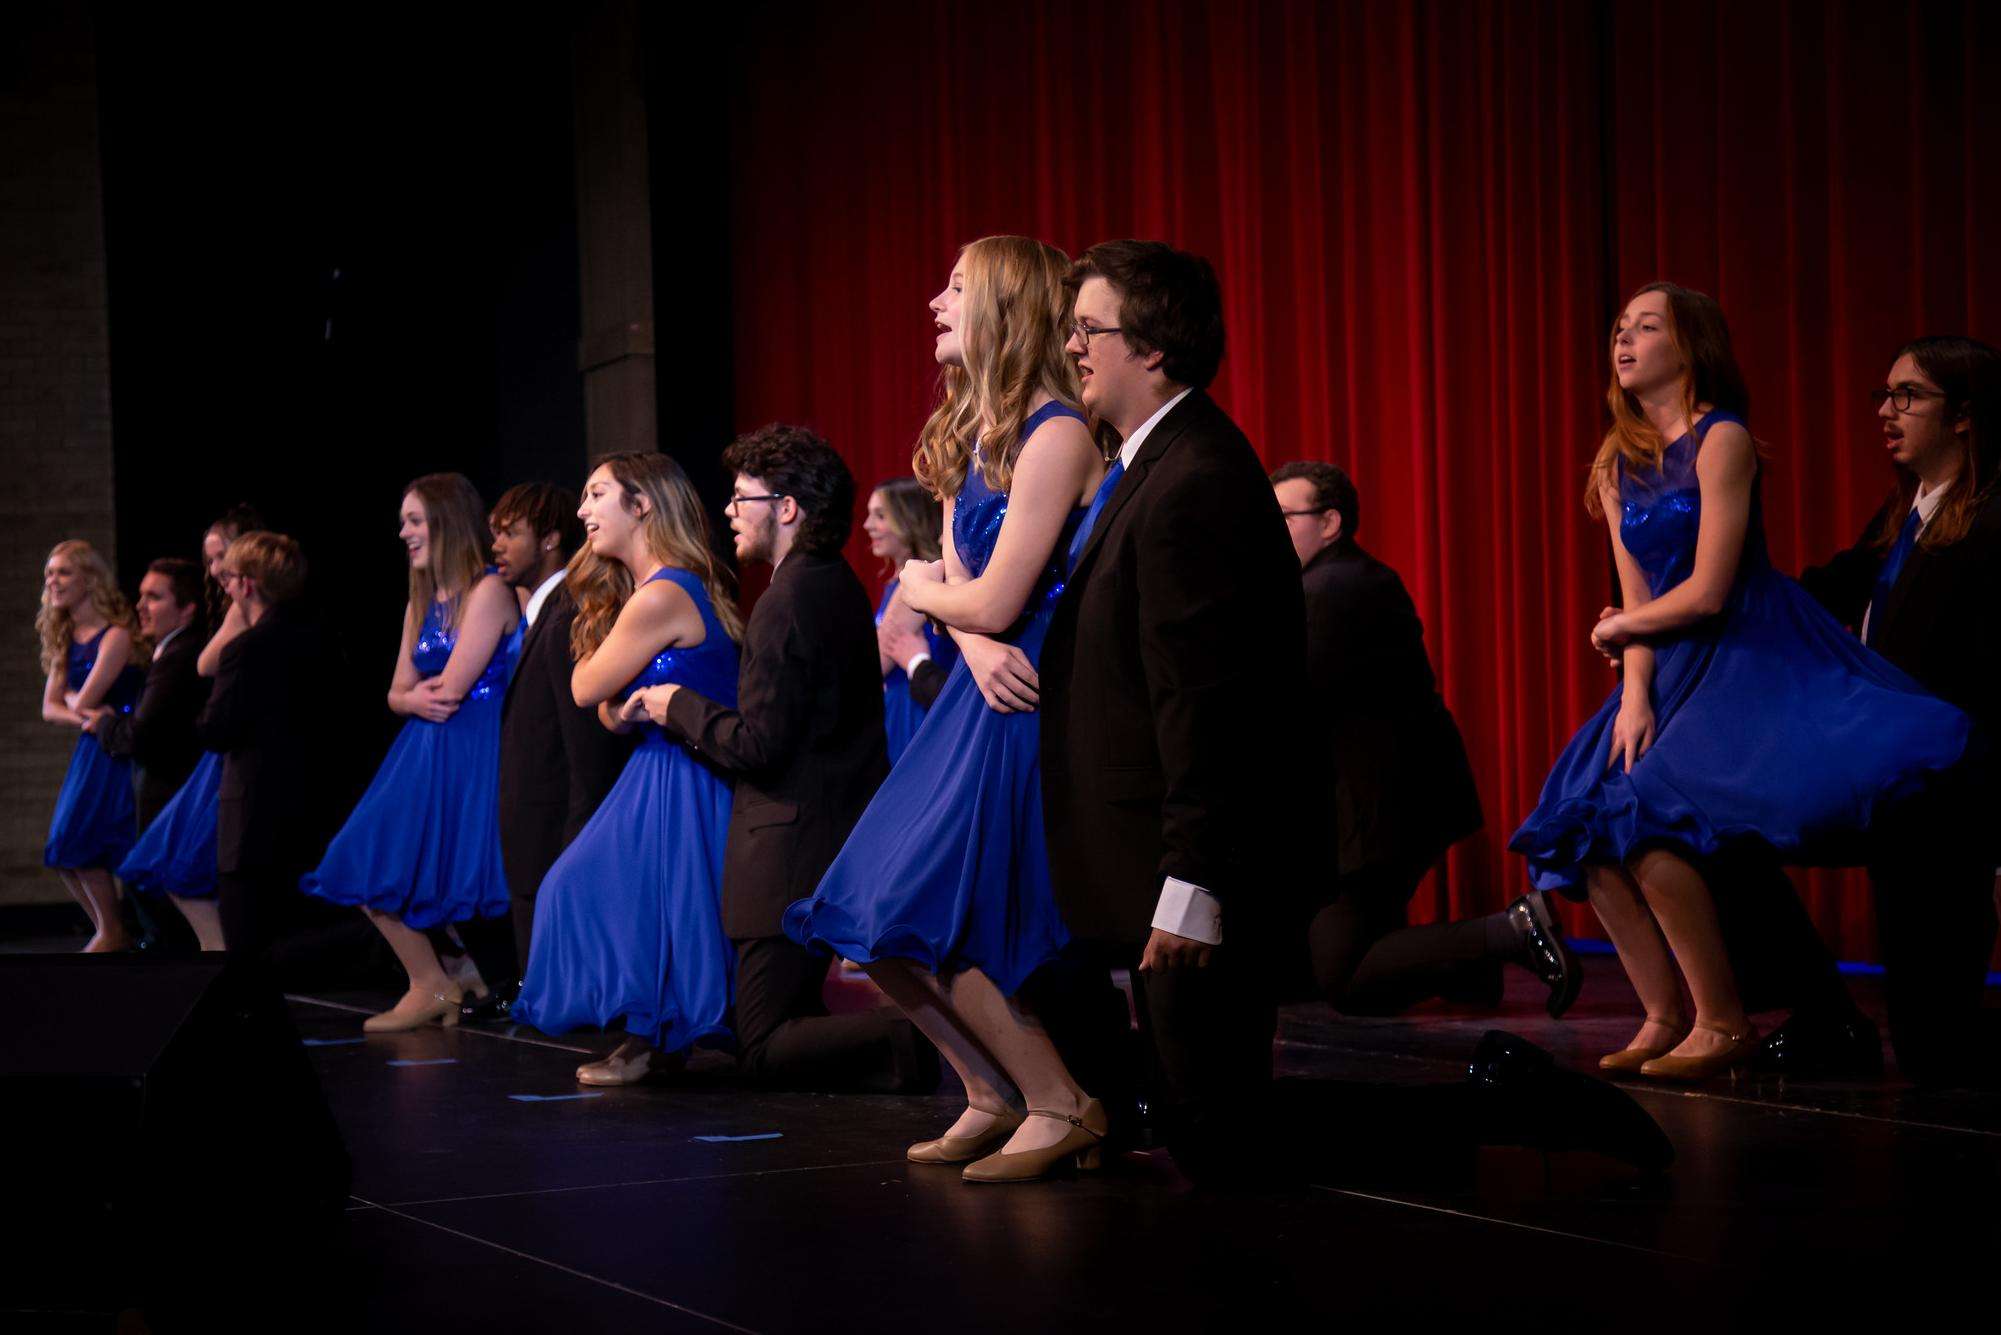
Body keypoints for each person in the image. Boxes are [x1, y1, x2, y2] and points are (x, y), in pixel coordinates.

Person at [1042, 241, 1673, 1185]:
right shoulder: (1149, 465)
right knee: (1211, 1125)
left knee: (1220, 1129)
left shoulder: (1194, 477)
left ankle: (1510, 1100)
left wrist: (1190, 880)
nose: (1073, 347)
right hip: (1149, 862)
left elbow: (1205, 705)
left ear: (1153, 347)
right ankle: (1504, 1097)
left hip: (1190, 873)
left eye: (1087, 328)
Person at [1510, 284, 1973, 1081]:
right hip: (1665, 656)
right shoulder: (1618, 460)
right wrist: (1631, 692)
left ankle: (1723, 1021)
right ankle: (1663, 1013)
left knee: (1650, 814)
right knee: (1577, 819)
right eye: (1618, 328)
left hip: (1739, 648)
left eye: (1645, 327)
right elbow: (1638, 593)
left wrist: (1620, 629)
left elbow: (1710, 588)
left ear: (1688, 346)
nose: (1623, 341)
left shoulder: (1721, 438)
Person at [783, 237, 1120, 1182]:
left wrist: (937, 599)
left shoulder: (1057, 431)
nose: (935, 301)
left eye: (957, 287)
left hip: (1021, 702)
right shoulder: (977, 435)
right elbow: (962, 590)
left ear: (1004, 307)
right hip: (980, 681)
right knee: (867, 912)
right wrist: (956, 620)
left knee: (936, 911)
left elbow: (983, 593)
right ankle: (988, 1090)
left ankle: (1063, 1101)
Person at [627, 424, 931, 1093]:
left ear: (786, 508)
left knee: (759, 1043)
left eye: (742, 497)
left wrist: (674, 703)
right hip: (822, 835)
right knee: (776, 1021)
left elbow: (759, 746)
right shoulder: (835, 583)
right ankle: (901, 1056)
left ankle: (918, 1036)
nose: (729, 511)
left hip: (790, 849)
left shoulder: (784, 601)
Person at [1747, 336, 2001, 1085]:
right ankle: (1827, 1012)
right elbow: (1819, 590)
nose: (1885, 412)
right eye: (1882, 396)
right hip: (1897, 779)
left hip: (1953, 783)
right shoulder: (1903, 517)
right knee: (1720, 828)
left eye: (1906, 396)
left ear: (1962, 415)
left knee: (1934, 1027)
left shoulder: (1989, 523)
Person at [1268, 461, 1577, 1017]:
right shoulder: (1336, 581)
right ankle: (1468, 967)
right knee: (1325, 960)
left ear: (1330, 522)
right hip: (1386, 804)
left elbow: (1289, 702)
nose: (1273, 530)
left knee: (1342, 976)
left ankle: (1511, 931)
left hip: (1382, 810)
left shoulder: (1334, 588)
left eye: (1285, 517)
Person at [512, 454, 742, 1084]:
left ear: (641, 505)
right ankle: (648, 1040)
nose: (583, 510)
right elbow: (612, 710)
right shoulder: (660, 589)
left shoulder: (662, 594)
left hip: (684, 777)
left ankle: (653, 1040)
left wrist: (617, 700)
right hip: (658, 770)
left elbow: (587, 689)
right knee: (632, 903)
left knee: (584, 890)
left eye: (596, 495)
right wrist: (625, 704)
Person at [301, 473, 521, 1032]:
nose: (404, 532)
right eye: (404, 521)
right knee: (365, 857)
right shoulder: (422, 598)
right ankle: (442, 977)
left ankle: (441, 980)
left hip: (473, 747)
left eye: (415, 520)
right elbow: (396, 693)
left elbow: (449, 688)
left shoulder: (488, 590)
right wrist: (412, 700)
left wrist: (416, 698)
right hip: (427, 748)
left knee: (444, 871)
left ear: (447, 521)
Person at [457, 483, 634, 1023]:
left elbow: (582, 741)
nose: (498, 547)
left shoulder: (564, 613)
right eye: (495, 535)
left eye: (511, 533)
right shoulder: (541, 612)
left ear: (552, 538)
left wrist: (576, 836)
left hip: (556, 821)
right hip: (535, 822)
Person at [194, 531, 345, 962]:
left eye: (229, 578)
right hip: (308, 801)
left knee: (246, 941)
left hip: (252, 808)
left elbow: (216, 730)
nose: (224, 587)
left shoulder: (245, 649)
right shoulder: (318, 637)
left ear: (248, 585)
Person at [104, 558, 220, 951]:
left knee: (160, 888)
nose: (140, 606)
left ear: (187, 608)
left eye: (153, 597)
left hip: (170, 788)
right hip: (158, 785)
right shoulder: (169, 651)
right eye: (141, 596)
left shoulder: (180, 657)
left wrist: (103, 725)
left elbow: (142, 735)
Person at [39, 539, 146, 952]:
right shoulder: (67, 637)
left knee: (94, 841)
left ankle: (117, 931)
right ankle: (109, 927)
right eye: (49, 573)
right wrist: (80, 711)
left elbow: (74, 699)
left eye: (63, 571)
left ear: (89, 578)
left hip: (115, 751)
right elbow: (50, 708)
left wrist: (73, 702)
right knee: (65, 844)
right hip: (91, 746)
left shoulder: (115, 635)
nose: (53, 580)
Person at [862, 476, 957, 761]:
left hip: (915, 711)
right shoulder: (896, 582)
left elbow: (875, 662)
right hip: (899, 706)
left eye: (880, 516)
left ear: (909, 519)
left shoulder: (917, 582)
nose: (868, 526)